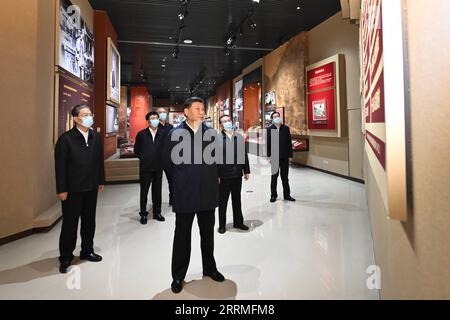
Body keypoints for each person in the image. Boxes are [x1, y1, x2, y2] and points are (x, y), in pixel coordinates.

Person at [164, 97, 225, 294]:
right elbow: (168, 163)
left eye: (203, 108)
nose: (201, 112)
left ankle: (210, 268)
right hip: (185, 193)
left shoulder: (211, 134)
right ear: (186, 112)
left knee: (207, 234)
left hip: (207, 192)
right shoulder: (175, 134)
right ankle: (178, 275)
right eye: (197, 108)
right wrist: (181, 180)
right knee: (182, 236)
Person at [54, 104, 105, 274]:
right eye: (85, 114)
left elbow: (99, 161)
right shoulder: (66, 139)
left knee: (89, 221)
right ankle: (66, 256)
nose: (89, 117)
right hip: (72, 189)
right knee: (70, 224)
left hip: (91, 187)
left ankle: (87, 250)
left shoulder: (95, 137)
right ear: (76, 118)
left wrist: (101, 180)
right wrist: (61, 189)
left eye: (90, 114)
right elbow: (60, 166)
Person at [217, 115, 250, 234]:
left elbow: (244, 154)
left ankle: (238, 222)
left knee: (237, 200)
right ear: (221, 125)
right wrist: (216, 175)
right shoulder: (217, 138)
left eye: (228, 120)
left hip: (237, 174)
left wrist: (246, 170)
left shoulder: (239, 137)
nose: (227, 123)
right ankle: (221, 225)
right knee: (222, 201)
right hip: (223, 175)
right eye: (224, 121)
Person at [134, 111, 166, 224]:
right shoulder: (141, 134)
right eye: (153, 118)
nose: (155, 119)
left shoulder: (163, 133)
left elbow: (166, 149)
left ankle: (157, 212)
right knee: (144, 191)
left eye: (157, 118)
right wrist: (144, 158)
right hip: (145, 167)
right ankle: (143, 214)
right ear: (148, 121)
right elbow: (136, 150)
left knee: (157, 191)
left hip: (158, 167)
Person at [266, 112, 296, 203]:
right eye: (275, 117)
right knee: (274, 177)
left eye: (278, 116)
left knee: (285, 177)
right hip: (274, 157)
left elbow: (288, 143)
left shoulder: (285, 129)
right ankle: (273, 195)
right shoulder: (270, 129)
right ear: (272, 119)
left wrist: (290, 155)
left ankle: (287, 195)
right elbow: (268, 143)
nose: (277, 118)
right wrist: (269, 156)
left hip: (284, 156)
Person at [156, 107, 174, 206]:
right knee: (157, 183)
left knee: (172, 180)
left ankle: (173, 199)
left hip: (169, 158)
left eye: (164, 112)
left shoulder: (170, 127)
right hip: (157, 159)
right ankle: (157, 204)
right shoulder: (154, 127)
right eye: (160, 112)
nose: (163, 114)